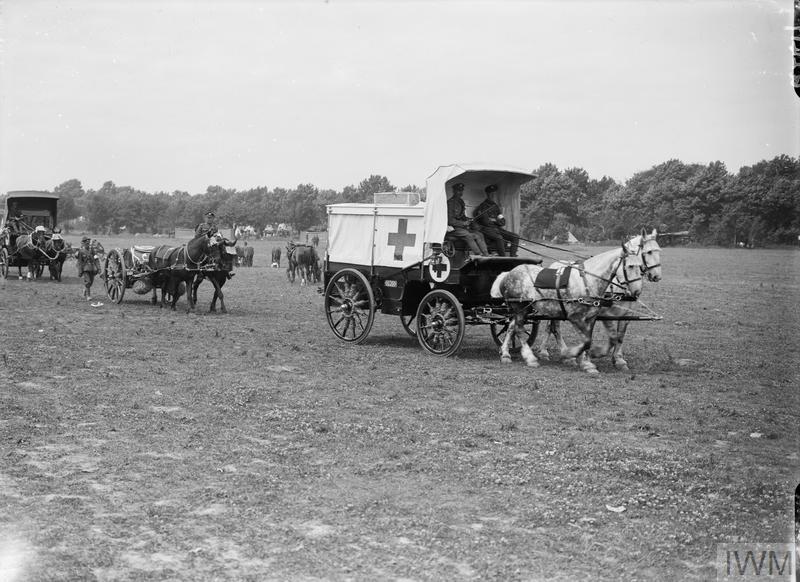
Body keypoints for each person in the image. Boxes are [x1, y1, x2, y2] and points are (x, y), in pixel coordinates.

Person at [474, 184, 519, 257]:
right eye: (491, 194)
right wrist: (497, 221)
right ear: (487, 194)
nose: (492, 196)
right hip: (487, 229)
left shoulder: (495, 207)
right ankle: (503, 258)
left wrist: (495, 221)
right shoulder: (482, 207)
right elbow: (486, 222)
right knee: (499, 238)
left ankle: (513, 257)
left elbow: (503, 221)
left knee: (515, 237)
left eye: (494, 194)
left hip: (497, 229)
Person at [446, 183, 488, 255]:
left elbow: (462, 216)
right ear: (454, 191)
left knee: (479, 234)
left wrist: (468, 219)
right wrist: (463, 223)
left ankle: (486, 254)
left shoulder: (461, 202)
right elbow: (450, 220)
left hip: (462, 227)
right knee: (469, 236)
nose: (460, 193)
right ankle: (479, 254)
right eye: (458, 191)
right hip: (454, 228)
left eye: (461, 191)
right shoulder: (450, 203)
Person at [75, 235, 99, 300]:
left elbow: (96, 258)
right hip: (85, 268)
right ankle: (88, 296)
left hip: (92, 268)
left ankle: (85, 290)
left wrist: (98, 268)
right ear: (84, 243)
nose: (88, 244)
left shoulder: (92, 250)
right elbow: (80, 262)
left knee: (91, 282)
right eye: (86, 242)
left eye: (89, 242)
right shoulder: (81, 251)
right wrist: (80, 271)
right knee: (88, 281)